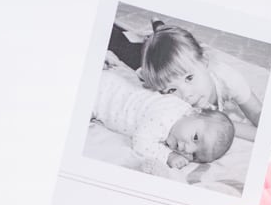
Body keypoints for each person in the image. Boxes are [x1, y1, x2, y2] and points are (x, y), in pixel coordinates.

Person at [91, 59, 235, 172]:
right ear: (194, 112)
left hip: (113, 84)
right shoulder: (164, 119)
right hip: (100, 95)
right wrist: (167, 156)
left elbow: (210, 118)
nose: (188, 149)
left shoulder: (183, 110)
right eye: (195, 138)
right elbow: (141, 142)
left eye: (195, 156)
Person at [141, 24, 262, 130]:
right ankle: (157, 29)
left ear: (204, 61)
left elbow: (256, 111)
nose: (186, 95)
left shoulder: (230, 79)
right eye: (172, 90)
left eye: (189, 78)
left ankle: (157, 24)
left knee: (163, 37)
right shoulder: (171, 100)